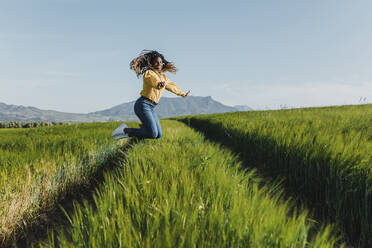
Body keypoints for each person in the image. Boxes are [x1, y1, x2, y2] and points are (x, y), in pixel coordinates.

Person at [122, 49, 190, 139]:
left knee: (158, 135)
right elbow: (152, 80)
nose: (159, 64)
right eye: (156, 62)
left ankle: (144, 129)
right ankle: (125, 130)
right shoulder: (148, 73)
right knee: (152, 134)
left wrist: (182, 94)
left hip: (151, 107)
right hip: (143, 105)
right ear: (151, 64)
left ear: (163, 64)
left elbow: (172, 86)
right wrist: (158, 84)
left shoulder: (163, 78)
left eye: (160, 62)